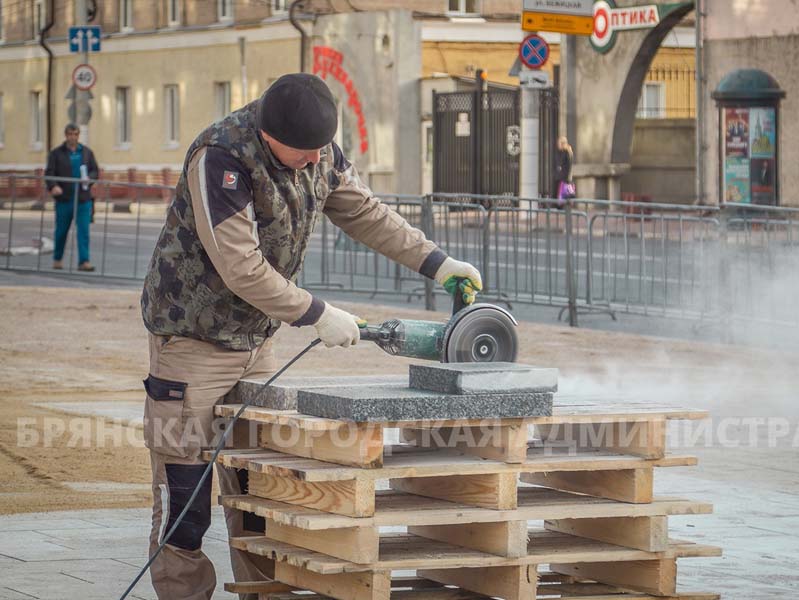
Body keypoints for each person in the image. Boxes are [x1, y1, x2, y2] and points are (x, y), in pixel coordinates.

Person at [140, 73, 482, 600]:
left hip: (258, 342)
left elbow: (365, 212)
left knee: (261, 491)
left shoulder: (317, 151)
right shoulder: (220, 157)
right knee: (186, 500)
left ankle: (259, 592)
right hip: (193, 345)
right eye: (303, 153)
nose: (314, 161)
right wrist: (315, 313)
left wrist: (436, 263)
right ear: (269, 133)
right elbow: (241, 268)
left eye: (321, 151)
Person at [45, 123, 99, 271]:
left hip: (83, 199)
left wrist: (90, 177)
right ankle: (57, 259)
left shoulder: (86, 152)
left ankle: (84, 261)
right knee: (61, 231)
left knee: (83, 232)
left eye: (75, 134)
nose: (73, 137)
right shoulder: (56, 153)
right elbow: (49, 173)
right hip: (64, 198)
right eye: (70, 134)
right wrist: (53, 186)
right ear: (66, 135)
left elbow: (95, 170)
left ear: (78, 135)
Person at [554, 135, 574, 205]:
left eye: (559, 143)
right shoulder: (564, 152)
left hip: (564, 178)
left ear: (562, 143)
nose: (557, 145)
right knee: (563, 196)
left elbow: (568, 166)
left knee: (563, 196)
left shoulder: (566, 152)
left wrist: (567, 179)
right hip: (563, 178)